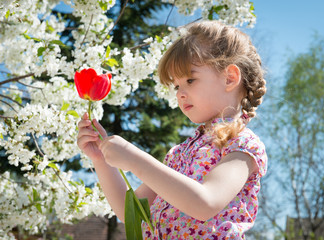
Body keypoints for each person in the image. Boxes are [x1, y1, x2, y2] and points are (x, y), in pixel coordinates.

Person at [77, 20, 267, 239]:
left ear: (230, 78)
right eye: (177, 86)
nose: (180, 93)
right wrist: (100, 158)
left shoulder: (243, 145)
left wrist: (135, 160)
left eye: (190, 80)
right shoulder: (178, 155)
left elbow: (205, 203)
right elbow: (129, 212)